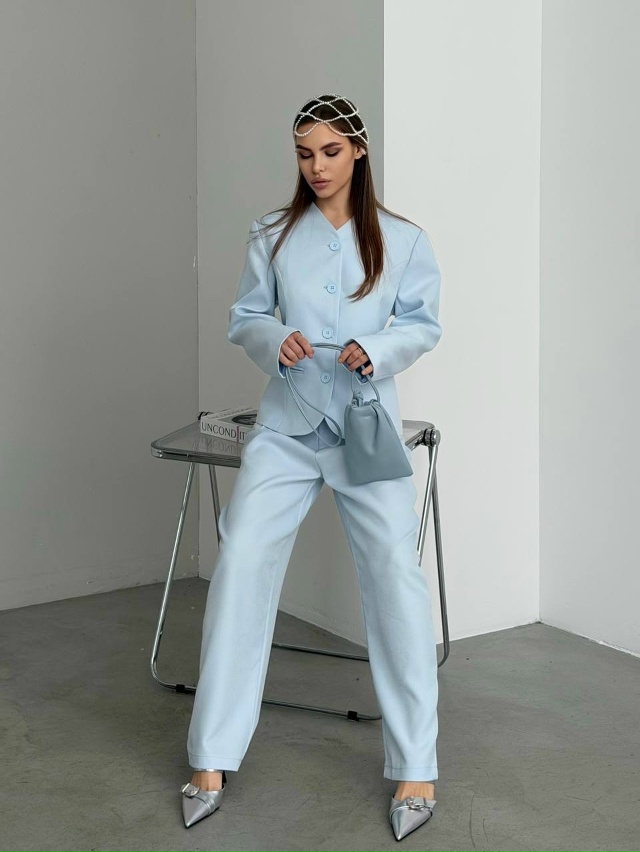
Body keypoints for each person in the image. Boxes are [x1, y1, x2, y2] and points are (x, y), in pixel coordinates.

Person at [180, 94, 443, 842]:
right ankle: (210, 757)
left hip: (364, 428)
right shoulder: (271, 233)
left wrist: (378, 352)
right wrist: (276, 341)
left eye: (329, 151)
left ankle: (416, 765)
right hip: (287, 426)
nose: (316, 167)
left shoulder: (404, 240)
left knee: (394, 577)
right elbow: (245, 318)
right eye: (304, 153)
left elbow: (421, 324)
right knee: (241, 563)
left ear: (358, 150)